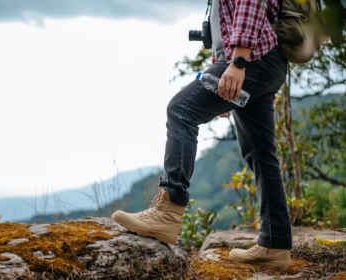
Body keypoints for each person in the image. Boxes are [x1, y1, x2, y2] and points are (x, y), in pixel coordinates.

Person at [112, 0, 292, 267]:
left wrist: (238, 62)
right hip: (268, 60)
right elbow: (226, 23)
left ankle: (169, 211)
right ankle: (276, 244)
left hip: (253, 57)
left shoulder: (244, 57)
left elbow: (251, 2)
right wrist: (222, 67)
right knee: (261, 153)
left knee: (181, 111)